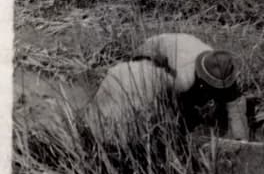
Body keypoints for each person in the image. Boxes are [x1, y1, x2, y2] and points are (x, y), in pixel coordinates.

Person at [84, 33, 249, 145]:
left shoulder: (223, 68)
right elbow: (166, 94)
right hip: (154, 50)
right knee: (157, 103)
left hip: (181, 48)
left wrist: (242, 141)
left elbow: (235, 108)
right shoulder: (184, 78)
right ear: (202, 79)